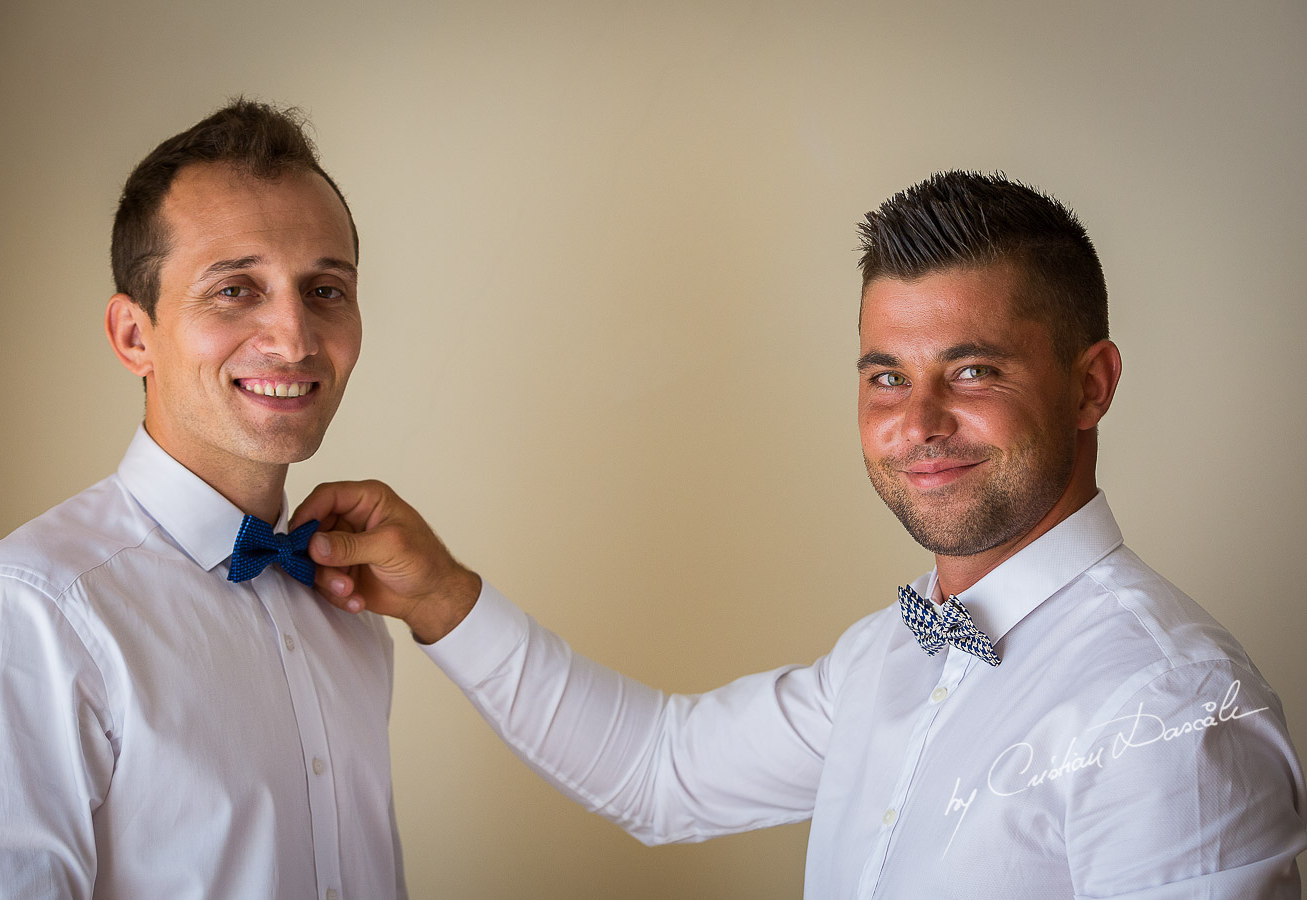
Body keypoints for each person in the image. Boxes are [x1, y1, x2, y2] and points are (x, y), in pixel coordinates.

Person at [294, 171, 1306, 897]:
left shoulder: (1174, 710)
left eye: (975, 370)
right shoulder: (885, 659)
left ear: (1091, 386)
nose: (917, 424)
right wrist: (438, 598)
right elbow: (660, 771)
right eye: (885, 377)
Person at [0, 100, 405, 898]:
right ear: (135, 337)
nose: (295, 338)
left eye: (326, 290)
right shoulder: (31, 610)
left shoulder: (351, 610)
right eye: (235, 290)